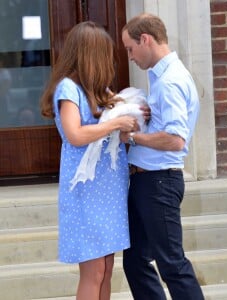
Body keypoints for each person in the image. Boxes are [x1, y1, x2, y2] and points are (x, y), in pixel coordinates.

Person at [40, 21, 139, 300]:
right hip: (87, 192)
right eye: (105, 52)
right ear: (90, 54)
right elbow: (75, 134)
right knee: (94, 270)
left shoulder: (99, 90)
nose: (110, 59)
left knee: (107, 268)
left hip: (107, 191)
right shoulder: (68, 89)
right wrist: (115, 123)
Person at [120, 13, 205, 300]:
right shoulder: (163, 78)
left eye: (130, 48)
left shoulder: (169, 81)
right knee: (135, 261)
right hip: (148, 182)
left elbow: (174, 139)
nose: (130, 56)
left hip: (159, 183)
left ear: (145, 39)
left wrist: (131, 136)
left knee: (172, 265)